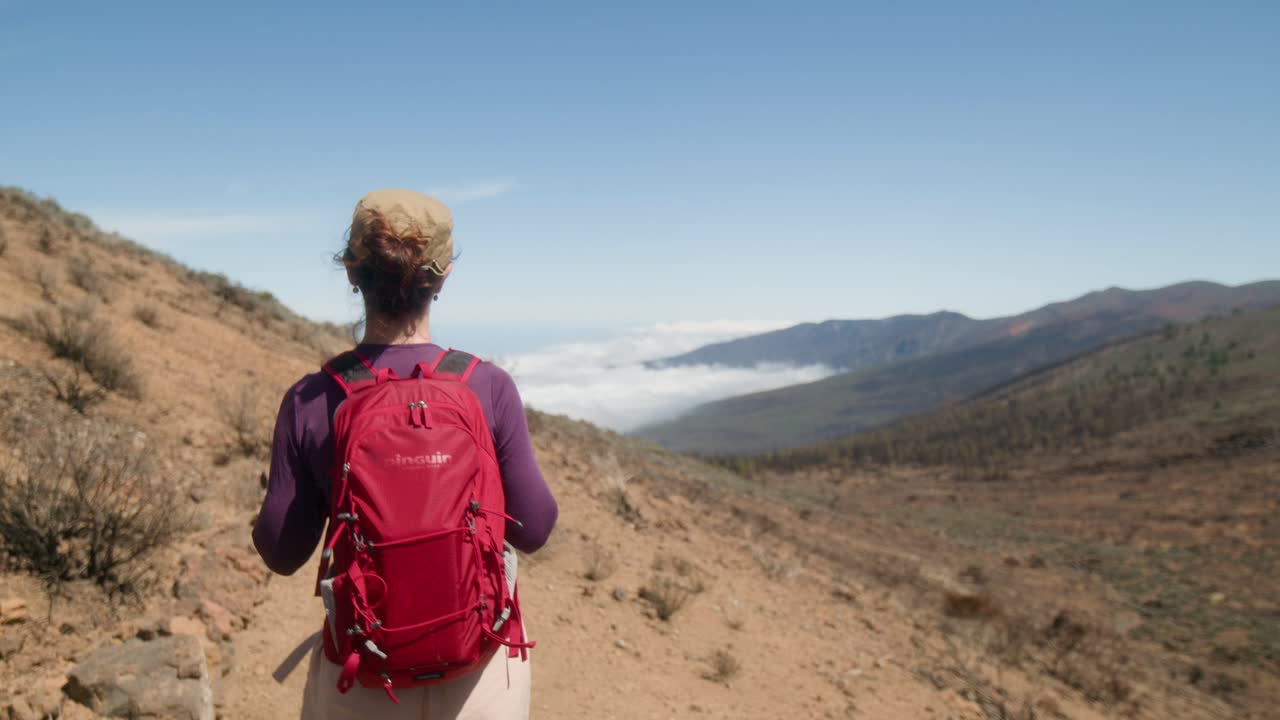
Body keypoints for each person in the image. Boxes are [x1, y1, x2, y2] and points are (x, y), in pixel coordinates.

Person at [252, 189, 559, 719]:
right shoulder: (486, 386)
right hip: (482, 666)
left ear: (352, 271)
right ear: (442, 278)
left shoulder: (312, 398)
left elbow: (281, 552)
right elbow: (534, 528)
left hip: (364, 670)